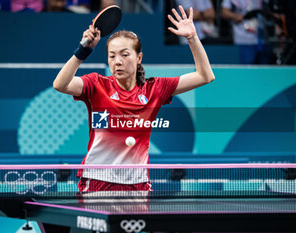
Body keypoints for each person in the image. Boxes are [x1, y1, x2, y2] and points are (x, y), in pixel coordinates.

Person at [53, 5, 215, 192]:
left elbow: (205, 76)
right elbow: (60, 84)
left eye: (124, 54)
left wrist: (192, 38)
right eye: (112, 56)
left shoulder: (155, 89)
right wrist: (83, 50)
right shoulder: (97, 85)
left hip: (137, 183)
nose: (117, 61)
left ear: (139, 58)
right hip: (97, 181)